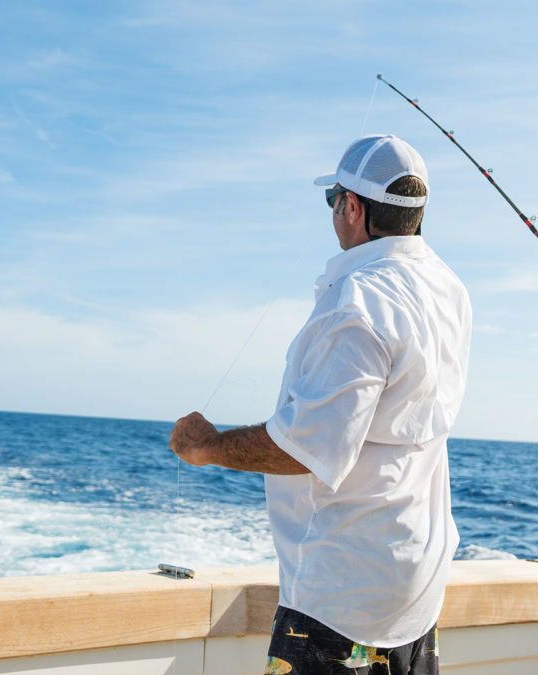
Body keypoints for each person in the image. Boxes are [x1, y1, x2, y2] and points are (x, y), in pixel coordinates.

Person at [169, 134, 472, 674]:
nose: (333, 210)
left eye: (333, 198)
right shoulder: (449, 290)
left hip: (342, 600)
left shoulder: (358, 302)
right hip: (416, 588)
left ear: (352, 207)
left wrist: (206, 447)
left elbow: (309, 449)